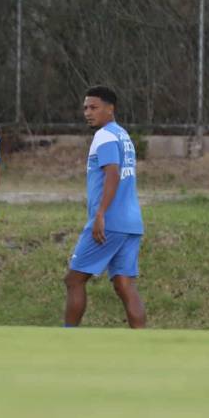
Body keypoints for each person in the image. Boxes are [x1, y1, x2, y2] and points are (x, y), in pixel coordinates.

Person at [64, 86, 146, 328]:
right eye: (85, 108)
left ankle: (66, 338)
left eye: (94, 107)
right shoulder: (123, 135)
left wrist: (100, 214)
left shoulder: (105, 136)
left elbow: (113, 173)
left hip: (110, 221)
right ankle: (143, 343)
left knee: (74, 280)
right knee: (124, 284)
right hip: (131, 222)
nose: (88, 112)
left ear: (110, 109)